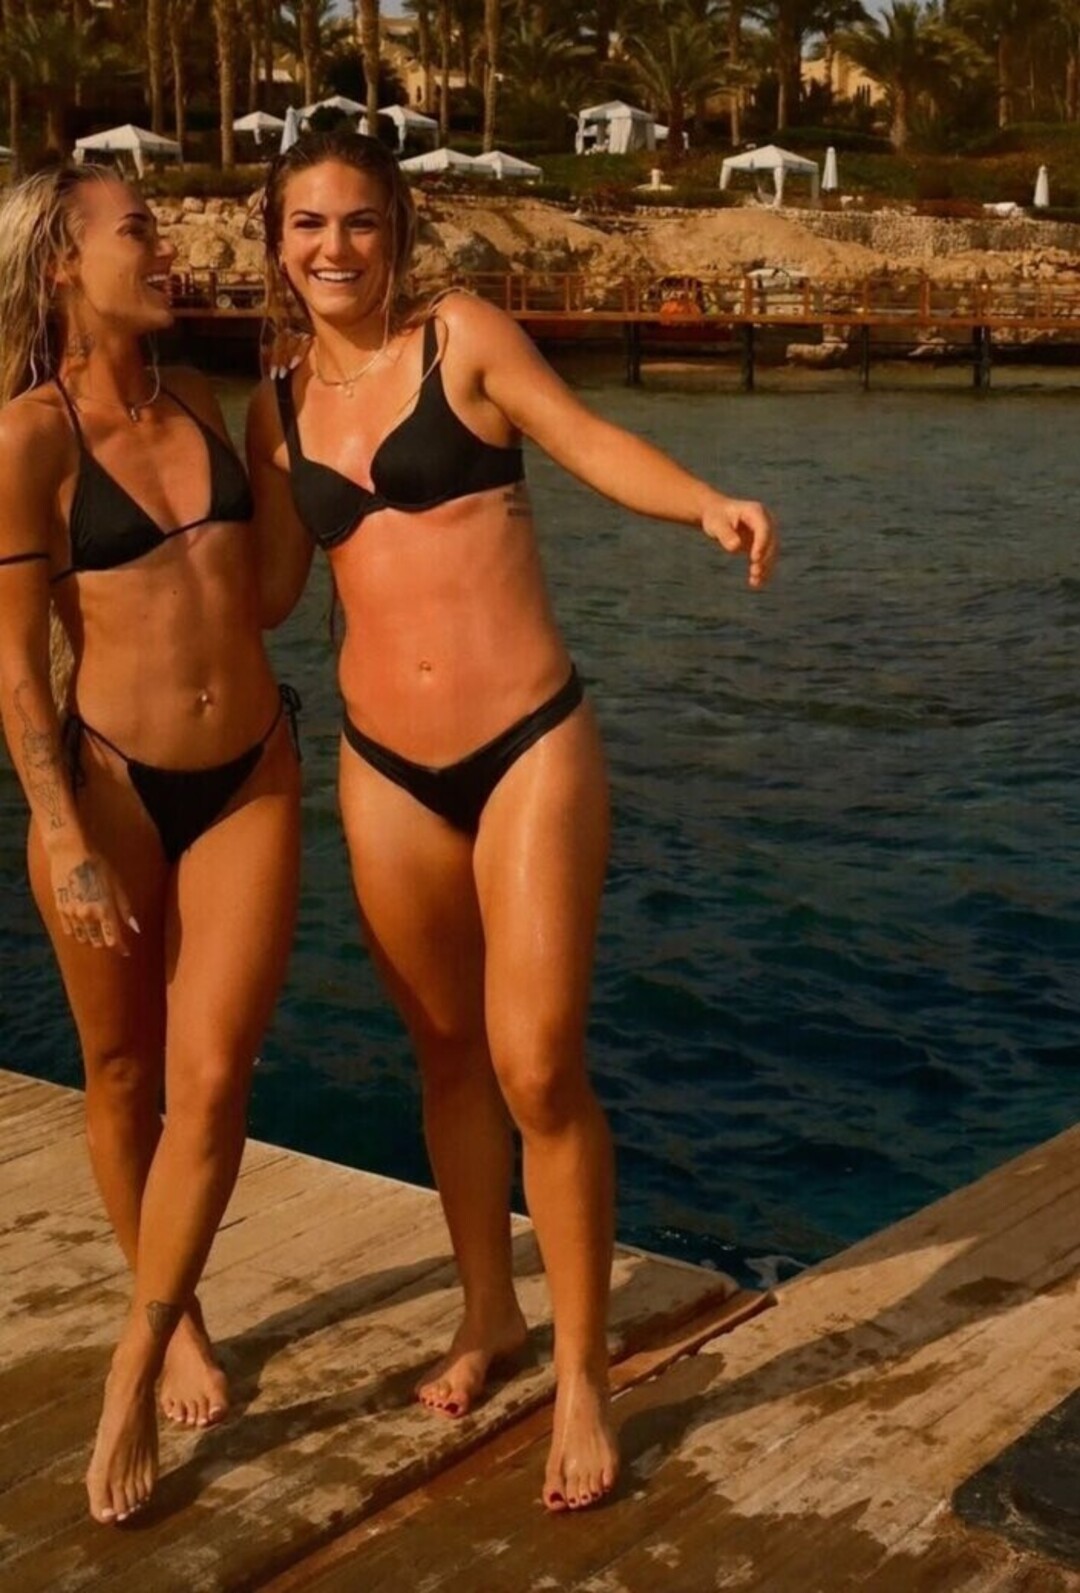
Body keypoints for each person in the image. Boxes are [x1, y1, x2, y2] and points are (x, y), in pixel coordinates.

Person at [248, 130, 777, 1514]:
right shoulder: (276, 403)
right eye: (308, 223)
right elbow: (264, 591)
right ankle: (490, 1310)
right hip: (382, 764)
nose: (334, 248)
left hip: (527, 743)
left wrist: (706, 504)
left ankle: (584, 1370)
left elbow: (587, 439)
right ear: (276, 240)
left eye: (360, 221)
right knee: (444, 1052)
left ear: (396, 227)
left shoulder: (462, 338)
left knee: (536, 1065)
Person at [0, 165, 302, 1525]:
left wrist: (300, 455)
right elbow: (16, 667)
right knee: (122, 1073)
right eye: (138, 231)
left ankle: (136, 1352)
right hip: (110, 794)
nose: (165, 247)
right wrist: (61, 832)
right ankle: (175, 1318)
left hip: (252, 776)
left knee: (215, 1074)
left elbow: (269, 598)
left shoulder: (203, 405)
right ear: (64, 263)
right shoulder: (29, 440)